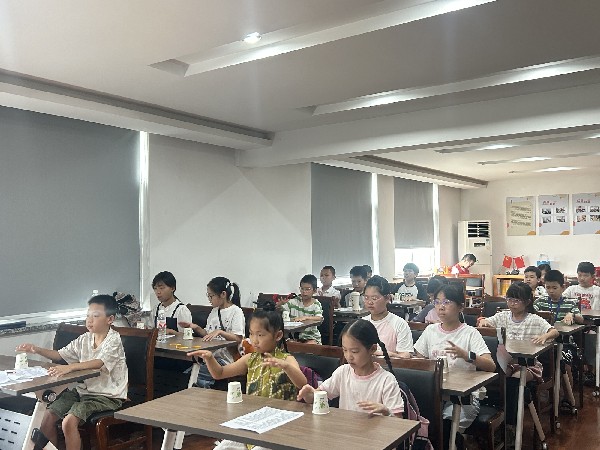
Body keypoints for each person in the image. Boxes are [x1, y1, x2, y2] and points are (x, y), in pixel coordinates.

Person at [187, 301, 307, 450]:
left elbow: (303, 384)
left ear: (278, 335)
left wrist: (286, 367)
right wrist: (210, 358)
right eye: (251, 333)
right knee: (222, 448)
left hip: (279, 426)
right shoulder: (250, 359)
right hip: (253, 422)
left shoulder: (286, 359)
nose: (254, 340)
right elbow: (220, 373)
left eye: (260, 335)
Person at [16, 295, 128, 450]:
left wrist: (70, 367)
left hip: (107, 396)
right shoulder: (84, 339)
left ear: (110, 319)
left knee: (68, 422)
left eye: (95, 316)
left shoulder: (114, 340)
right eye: (88, 315)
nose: (89, 320)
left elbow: (98, 363)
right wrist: (36, 349)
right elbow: (59, 355)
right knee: (46, 417)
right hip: (83, 392)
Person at [414, 285, 495, 448]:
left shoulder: (470, 333)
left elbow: (491, 365)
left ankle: (457, 441)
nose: (440, 307)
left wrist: (467, 355)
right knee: (420, 427)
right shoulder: (430, 331)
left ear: (460, 307)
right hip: (435, 395)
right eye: (437, 302)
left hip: (464, 398)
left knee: (445, 428)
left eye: (447, 302)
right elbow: (418, 361)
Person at [479, 282, 558, 431]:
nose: (512, 304)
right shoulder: (503, 316)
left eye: (517, 300)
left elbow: (554, 331)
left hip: (528, 365)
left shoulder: (534, 319)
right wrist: (483, 322)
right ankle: (494, 417)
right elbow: (485, 321)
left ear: (527, 302)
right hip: (507, 362)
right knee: (492, 378)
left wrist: (544, 336)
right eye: (509, 299)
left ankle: (510, 425)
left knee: (514, 381)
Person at [297, 319, 404, 416]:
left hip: (376, 431)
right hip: (346, 429)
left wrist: (386, 412)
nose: (349, 356)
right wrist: (309, 395)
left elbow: (398, 420)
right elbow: (317, 398)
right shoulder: (343, 372)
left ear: (372, 349)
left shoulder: (386, 380)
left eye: (354, 351)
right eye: (345, 350)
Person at [179, 277, 245, 388]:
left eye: (211, 296)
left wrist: (220, 332)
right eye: (208, 296)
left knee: (196, 375)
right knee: (189, 373)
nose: (209, 299)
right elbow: (208, 334)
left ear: (223, 294)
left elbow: (238, 338)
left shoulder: (236, 311)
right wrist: (195, 327)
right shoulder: (214, 311)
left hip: (226, 359)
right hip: (211, 356)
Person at [362, 275, 413, 358]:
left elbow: (405, 355)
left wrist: (390, 355)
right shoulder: (361, 323)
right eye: (366, 298)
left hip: (390, 365)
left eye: (374, 298)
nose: (369, 302)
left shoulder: (399, 324)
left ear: (387, 298)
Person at [280, 274, 323, 344]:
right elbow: (283, 311)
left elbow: (319, 318)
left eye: (307, 289)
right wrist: (279, 306)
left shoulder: (316, 304)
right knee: (286, 343)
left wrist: (306, 317)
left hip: (312, 337)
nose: (304, 292)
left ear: (315, 290)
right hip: (296, 338)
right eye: (302, 289)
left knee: (308, 345)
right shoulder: (294, 302)